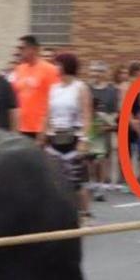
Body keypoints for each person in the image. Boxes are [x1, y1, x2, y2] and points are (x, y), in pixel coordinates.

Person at [44, 53, 93, 220]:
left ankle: (84, 215)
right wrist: (44, 134)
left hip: (74, 137)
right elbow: (48, 114)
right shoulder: (54, 89)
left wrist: (84, 140)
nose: (55, 67)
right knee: (55, 179)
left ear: (66, 66)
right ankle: (59, 215)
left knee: (77, 181)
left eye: (58, 64)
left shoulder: (80, 87)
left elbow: (86, 115)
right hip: (55, 137)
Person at [11, 35, 60, 143]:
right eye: (18, 48)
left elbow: (54, 101)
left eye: (22, 48)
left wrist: (44, 130)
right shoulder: (19, 69)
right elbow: (14, 99)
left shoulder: (50, 70)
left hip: (39, 129)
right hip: (20, 128)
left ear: (33, 49)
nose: (19, 52)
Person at [87, 61, 120, 198]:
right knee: (89, 160)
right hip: (89, 128)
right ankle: (92, 182)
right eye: (94, 71)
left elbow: (115, 111)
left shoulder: (111, 91)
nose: (96, 74)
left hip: (104, 129)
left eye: (99, 71)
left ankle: (100, 185)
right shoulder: (86, 88)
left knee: (101, 159)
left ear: (105, 73)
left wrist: (108, 125)